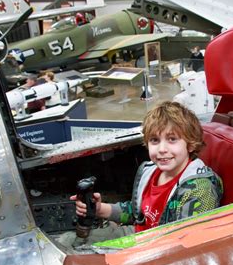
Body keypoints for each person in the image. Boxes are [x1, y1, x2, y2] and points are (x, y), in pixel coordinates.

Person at [69, 101, 223, 245]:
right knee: (67, 241)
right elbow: (138, 212)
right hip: (139, 235)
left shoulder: (199, 189)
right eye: (155, 140)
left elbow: (186, 246)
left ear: (190, 145)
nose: (162, 149)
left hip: (158, 250)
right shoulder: (150, 171)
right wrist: (100, 209)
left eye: (172, 139)